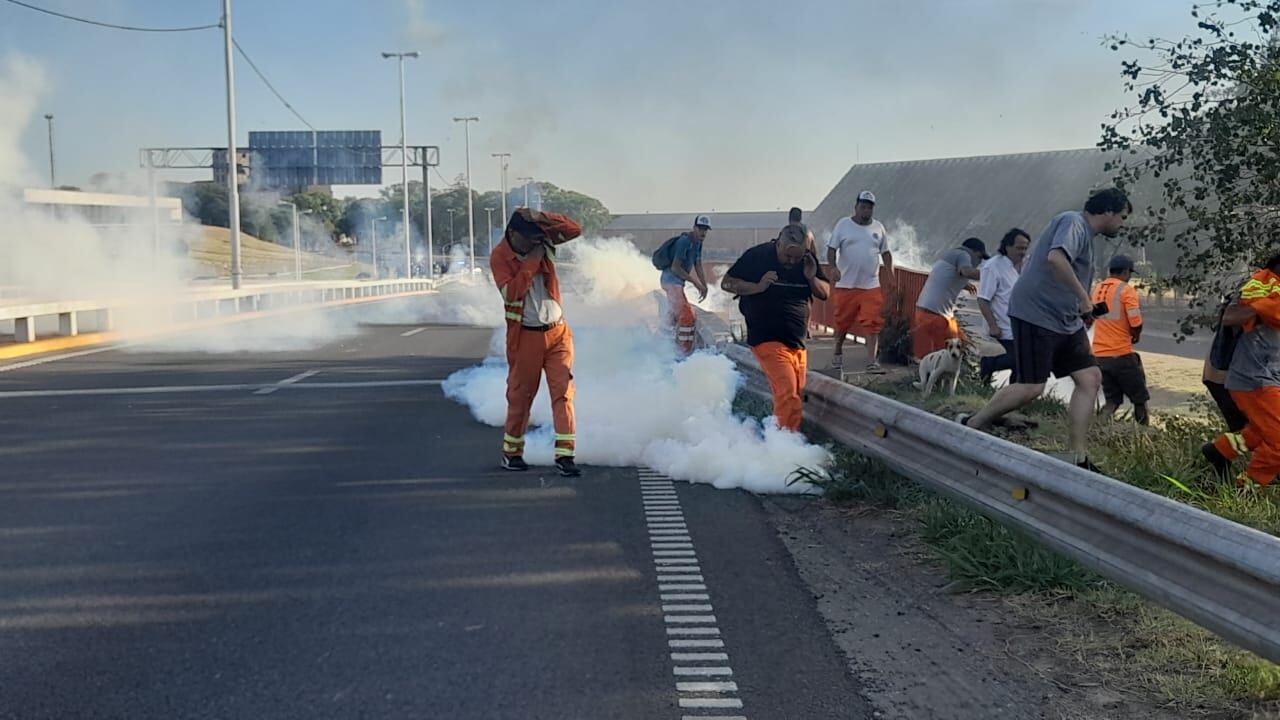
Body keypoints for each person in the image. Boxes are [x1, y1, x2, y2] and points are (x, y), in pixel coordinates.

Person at [959, 187, 1132, 471]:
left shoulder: (1087, 237)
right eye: (1122, 217)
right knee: (1032, 387)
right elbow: (1056, 258)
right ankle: (972, 424)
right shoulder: (1074, 222)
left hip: (1065, 320)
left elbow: (1066, 274)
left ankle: (1078, 457)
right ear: (1109, 211)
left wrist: (1080, 310)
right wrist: (1084, 298)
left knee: (1090, 378)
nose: (1122, 224)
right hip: (1035, 314)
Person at [490, 208, 584, 477]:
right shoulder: (500, 257)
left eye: (536, 238)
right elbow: (511, 293)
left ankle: (565, 456)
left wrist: (541, 218)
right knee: (521, 397)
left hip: (558, 334)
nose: (533, 242)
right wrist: (531, 262)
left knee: (563, 393)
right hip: (526, 337)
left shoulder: (541, 241)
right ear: (512, 234)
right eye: (527, 238)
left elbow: (574, 229)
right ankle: (512, 454)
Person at [721, 224, 830, 432]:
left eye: (795, 258)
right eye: (787, 256)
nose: (790, 262)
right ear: (778, 244)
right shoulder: (759, 256)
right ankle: (783, 447)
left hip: (797, 343)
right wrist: (758, 287)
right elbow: (727, 283)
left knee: (794, 396)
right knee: (788, 393)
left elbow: (825, 293)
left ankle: (781, 439)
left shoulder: (807, 262)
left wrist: (811, 277)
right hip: (766, 337)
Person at [1203, 253, 1280, 487]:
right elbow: (1231, 316)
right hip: (1254, 379)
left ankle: (1220, 451)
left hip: (1256, 377)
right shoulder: (1267, 292)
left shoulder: (1266, 288)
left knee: (1262, 431)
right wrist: (1255, 311)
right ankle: (1247, 488)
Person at [825, 190, 895, 374]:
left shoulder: (878, 228)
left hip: (871, 285)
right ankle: (837, 352)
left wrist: (890, 273)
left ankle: (872, 361)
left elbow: (886, 253)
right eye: (863, 207)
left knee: (873, 322)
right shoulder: (844, 224)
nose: (866, 211)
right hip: (846, 284)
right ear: (856, 207)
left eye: (869, 208)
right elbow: (832, 249)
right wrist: (833, 267)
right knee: (842, 323)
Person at [1091, 254, 1150, 425]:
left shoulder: (1097, 289)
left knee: (1112, 400)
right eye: (1129, 273)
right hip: (1121, 355)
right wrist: (1136, 335)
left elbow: (1093, 317)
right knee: (1139, 399)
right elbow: (1135, 321)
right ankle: (1144, 435)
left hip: (1100, 356)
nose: (1130, 276)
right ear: (1124, 272)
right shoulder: (1126, 290)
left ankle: (1097, 429)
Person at [911, 237, 988, 361]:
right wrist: (993, 275)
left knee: (961, 343)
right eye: (980, 257)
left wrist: (963, 284)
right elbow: (966, 271)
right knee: (949, 356)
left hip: (924, 310)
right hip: (937, 314)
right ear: (973, 252)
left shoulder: (950, 254)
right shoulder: (964, 255)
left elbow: (945, 276)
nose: (979, 262)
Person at [977, 228, 1031, 384]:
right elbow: (983, 300)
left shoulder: (1025, 265)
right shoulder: (993, 266)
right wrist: (993, 326)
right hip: (1002, 327)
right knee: (1018, 361)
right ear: (1007, 246)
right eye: (1019, 248)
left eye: (1025, 248)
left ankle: (1013, 397)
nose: (1022, 252)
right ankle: (988, 365)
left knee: (1023, 365)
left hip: (1020, 324)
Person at [660, 215, 711, 355]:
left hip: (676, 283)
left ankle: (662, 342)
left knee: (674, 313)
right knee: (687, 315)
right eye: (701, 229)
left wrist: (704, 285)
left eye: (705, 230)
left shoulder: (698, 243)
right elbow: (676, 268)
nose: (703, 233)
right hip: (670, 281)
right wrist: (695, 283)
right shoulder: (684, 242)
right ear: (694, 228)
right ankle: (683, 352)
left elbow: (698, 264)